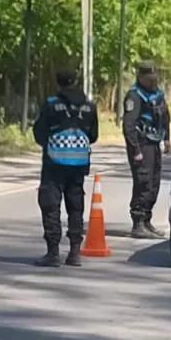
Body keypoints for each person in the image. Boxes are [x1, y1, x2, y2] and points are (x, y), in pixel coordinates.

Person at [32, 69, 99, 268]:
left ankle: (53, 253)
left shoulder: (52, 103)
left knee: (51, 205)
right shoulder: (89, 106)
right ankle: (75, 252)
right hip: (79, 164)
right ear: (76, 81)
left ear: (58, 82)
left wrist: (52, 143)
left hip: (54, 163)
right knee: (76, 206)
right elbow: (93, 135)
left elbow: (39, 132)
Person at [123, 61, 171, 239]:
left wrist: (167, 138)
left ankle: (147, 220)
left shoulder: (157, 93)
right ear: (141, 77)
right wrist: (135, 150)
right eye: (149, 78)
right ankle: (138, 222)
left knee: (154, 183)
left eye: (154, 77)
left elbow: (165, 115)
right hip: (141, 144)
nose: (153, 81)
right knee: (143, 182)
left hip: (155, 144)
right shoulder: (135, 96)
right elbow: (128, 126)